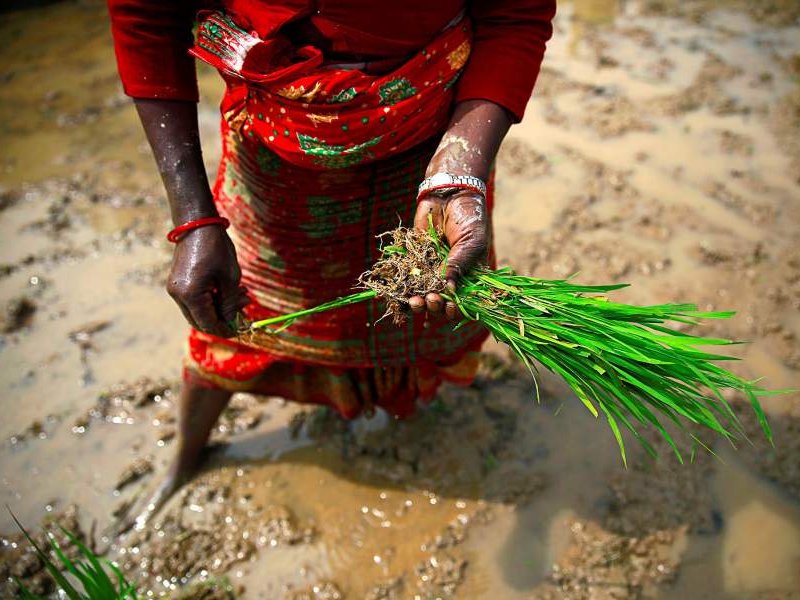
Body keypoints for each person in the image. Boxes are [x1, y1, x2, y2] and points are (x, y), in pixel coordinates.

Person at [107, 0, 555, 525]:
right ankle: (186, 458)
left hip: (433, 150)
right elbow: (147, 17)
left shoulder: (448, 165)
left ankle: (414, 415)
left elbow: (515, 13)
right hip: (273, 150)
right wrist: (194, 221)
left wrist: (460, 171)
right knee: (238, 318)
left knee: (430, 310)